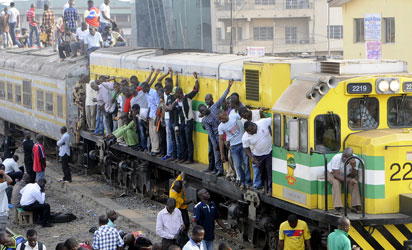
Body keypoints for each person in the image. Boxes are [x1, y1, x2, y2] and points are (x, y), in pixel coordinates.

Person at [199, 80, 234, 176]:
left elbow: (222, 98)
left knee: (227, 152)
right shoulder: (205, 120)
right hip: (216, 136)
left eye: (204, 109)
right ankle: (219, 170)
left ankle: (229, 170)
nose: (205, 111)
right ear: (202, 113)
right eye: (202, 111)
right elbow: (210, 133)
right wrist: (215, 144)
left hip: (225, 132)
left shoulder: (214, 107)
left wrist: (228, 87)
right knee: (216, 152)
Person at [169, 73, 199, 163]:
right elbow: (170, 108)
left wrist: (196, 79)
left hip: (188, 122)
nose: (174, 96)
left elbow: (196, 90)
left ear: (180, 93)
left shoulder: (187, 97)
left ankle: (190, 159)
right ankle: (183, 157)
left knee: (188, 141)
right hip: (181, 123)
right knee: (182, 141)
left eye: (176, 94)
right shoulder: (177, 101)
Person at [218, 111, 251, 189]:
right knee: (238, 165)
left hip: (243, 144)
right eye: (220, 119)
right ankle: (242, 181)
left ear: (226, 114)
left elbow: (244, 115)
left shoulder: (233, 116)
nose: (222, 120)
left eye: (223, 118)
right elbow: (221, 140)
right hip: (233, 147)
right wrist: (222, 154)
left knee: (246, 164)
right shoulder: (221, 127)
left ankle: (248, 182)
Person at [242, 118, 273, 194]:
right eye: (249, 132)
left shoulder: (262, 122)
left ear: (253, 125)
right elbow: (246, 148)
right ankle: (265, 188)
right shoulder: (245, 137)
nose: (252, 132)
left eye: (252, 130)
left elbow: (273, 120)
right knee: (262, 173)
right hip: (258, 156)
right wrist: (252, 158)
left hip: (269, 152)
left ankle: (270, 189)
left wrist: (271, 132)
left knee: (269, 172)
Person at [327, 147, 361, 214]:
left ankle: (355, 206)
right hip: (332, 173)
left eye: (346, 157)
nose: (344, 158)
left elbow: (354, 175)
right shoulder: (337, 158)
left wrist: (353, 166)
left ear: (351, 156)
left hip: (346, 174)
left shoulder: (356, 160)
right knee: (336, 183)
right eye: (344, 156)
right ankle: (337, 207)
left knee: (355, 183)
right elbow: (336, 175)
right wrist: (349, 180)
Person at [141, 82, 160, 156]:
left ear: (146, 87)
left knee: (155, 133)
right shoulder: (146, 94)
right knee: (151, 133)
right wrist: (147, 115)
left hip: (155, 115)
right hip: (150, 115)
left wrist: (157, 117)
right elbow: (149, 105)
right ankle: (152, 149)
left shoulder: (154, 92)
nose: (142, 90)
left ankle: (156, 150)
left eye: (143, 89)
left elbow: (158, 105)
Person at [204, 94, 215, 173]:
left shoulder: (214, 108)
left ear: (212, 99)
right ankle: (210, 167)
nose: (206, 101)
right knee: (210, 151)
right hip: (210, 133)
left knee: (214, 151)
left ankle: (215, 168)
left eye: (208, 99)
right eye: (205, 100)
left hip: (214, 134)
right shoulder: (207, 108)